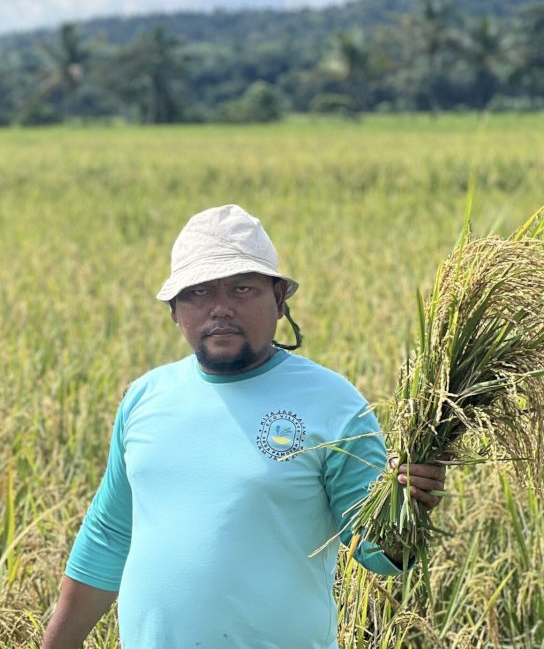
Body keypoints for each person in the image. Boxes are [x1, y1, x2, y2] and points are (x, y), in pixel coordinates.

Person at [42, 205, 447, 649]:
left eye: (242, 288)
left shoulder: (333, 405)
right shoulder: (145, 398)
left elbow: (378, 553)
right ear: (175, 310)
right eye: (198, 292)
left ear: (278, 300)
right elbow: (110, 536)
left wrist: (407, 505)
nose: (220, 308)